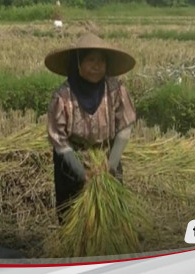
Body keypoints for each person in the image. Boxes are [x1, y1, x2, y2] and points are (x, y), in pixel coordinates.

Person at [44, 33, 137, 223]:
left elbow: (125, 126)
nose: (97, 66)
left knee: (112, 217)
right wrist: (81, 172)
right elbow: (59, 140)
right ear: (78, 63)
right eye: (91, 60)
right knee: (73, 218)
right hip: (71, 163)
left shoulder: (115, 89)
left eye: (102, 61)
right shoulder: (62, 97)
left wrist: (111, 164)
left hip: (107, 156)